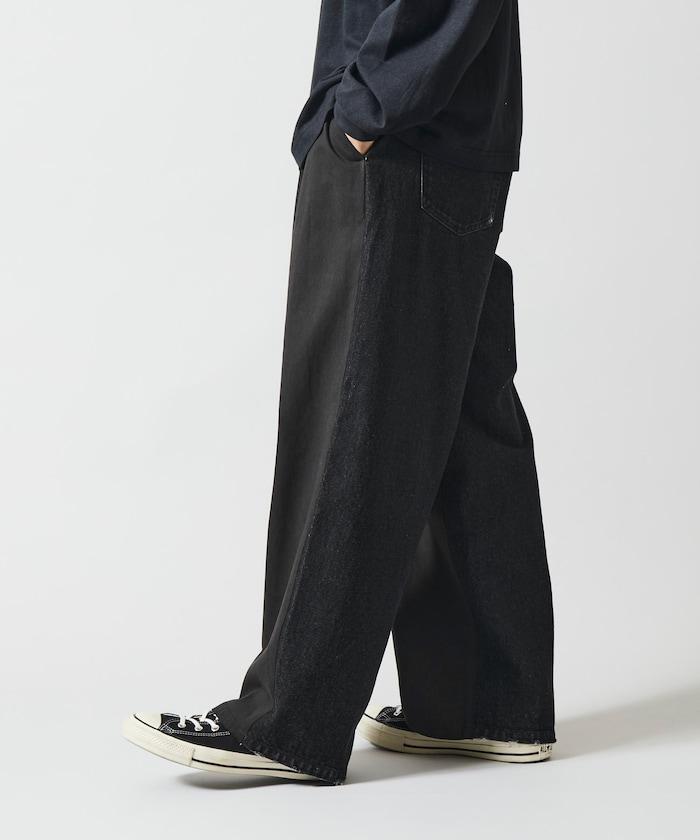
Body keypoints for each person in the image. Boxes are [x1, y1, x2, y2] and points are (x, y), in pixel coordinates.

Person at [123, 0, 555, 785]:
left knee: (354, 419)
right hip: (440, 139)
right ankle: (486, 704)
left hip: (401, 141)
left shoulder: (381, 120)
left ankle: (288, 721)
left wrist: (361, 111)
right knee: (463, 425)